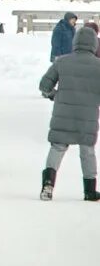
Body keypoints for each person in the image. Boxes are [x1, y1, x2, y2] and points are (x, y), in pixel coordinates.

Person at [37, 24, 100, 202]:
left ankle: (48, 184)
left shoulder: (62, 61)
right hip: (87, 118)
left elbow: (44, 85)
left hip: (62, 114)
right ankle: (89, 191)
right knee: (87, 152)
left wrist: (54, 96)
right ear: (94, 44)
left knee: (57, 148)